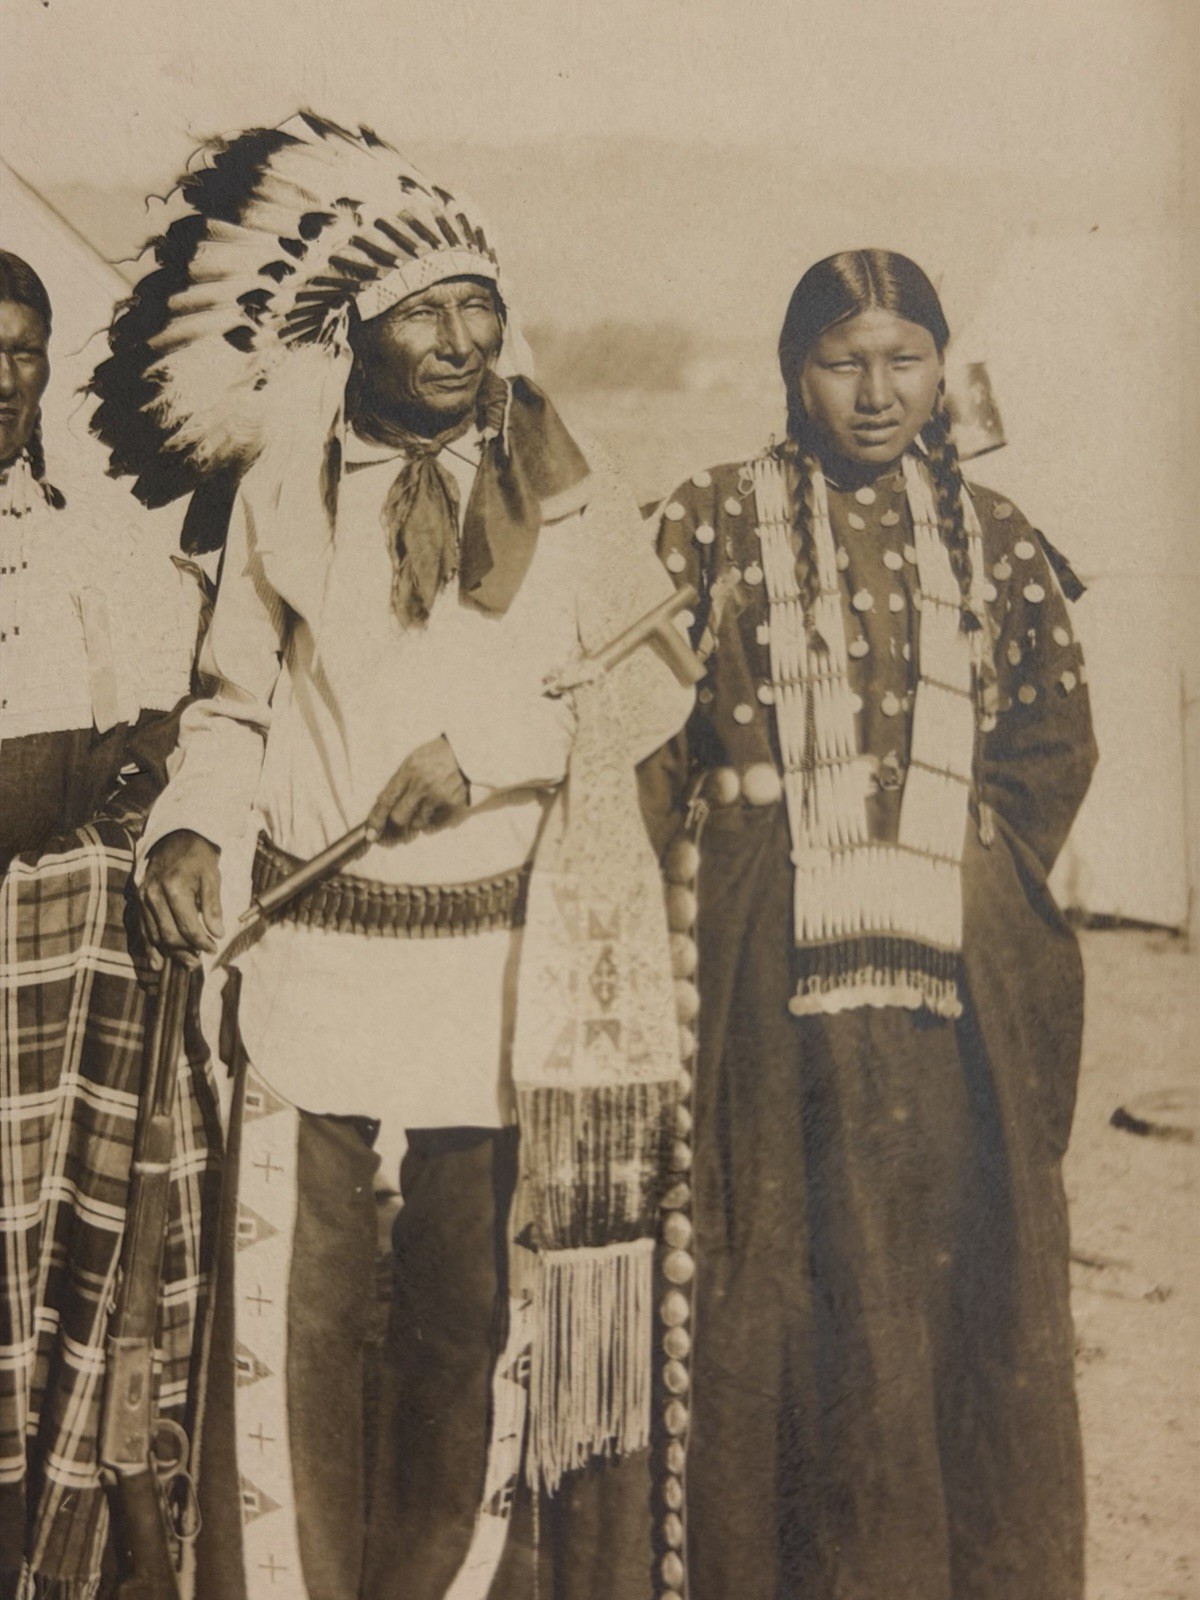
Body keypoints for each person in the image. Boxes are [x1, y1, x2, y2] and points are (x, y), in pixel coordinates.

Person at [91, 115, 693, 1600]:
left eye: (479, 303)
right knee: (306, 1320)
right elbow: (233, 705)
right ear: (353, 332)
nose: (461, 336)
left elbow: (648, 678)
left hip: (494, 979)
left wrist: (492, 760)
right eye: (423, 309)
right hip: (316, 974)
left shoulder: (562, 481)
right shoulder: (282, 492)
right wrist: (188, 826)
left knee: (463, 1324)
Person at [651, 249, 1097, 1600]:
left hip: (952, 1004)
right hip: (767, 989)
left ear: (944, 368)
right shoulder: (711, 520)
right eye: (844, 360)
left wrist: (951, 868)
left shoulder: (999, 539)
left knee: (944, 1291)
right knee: (783, 1286)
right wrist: (752, 874)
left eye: (906, 359)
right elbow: (650, 743)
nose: (877, 390)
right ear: (796, 374)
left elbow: (1053, 743)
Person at [0, 249, 214, 1598]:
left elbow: (157, 717)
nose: (0, 375)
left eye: (23, 349)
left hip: (59, 964)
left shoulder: (82, 534)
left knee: (62, 1272)